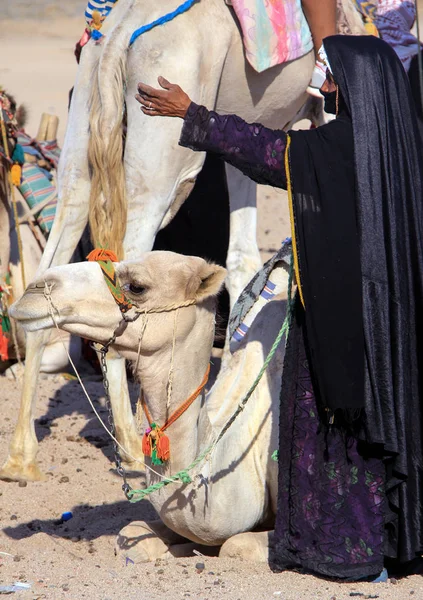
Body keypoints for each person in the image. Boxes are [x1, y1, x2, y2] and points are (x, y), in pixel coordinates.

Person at [135, 34, 423, 580]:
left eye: (333, 78)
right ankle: (396, 544)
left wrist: (191, 113)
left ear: (357, 88)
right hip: (396, 332)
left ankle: (344, 550)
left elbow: (264, 152)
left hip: (338, 329)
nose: (326, 87)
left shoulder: (331, 148)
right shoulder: (405, 151)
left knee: (334, 429)